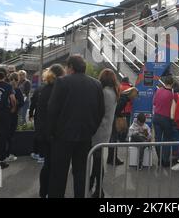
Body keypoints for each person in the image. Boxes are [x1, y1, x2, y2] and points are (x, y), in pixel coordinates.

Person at [47, 55, 105, 198]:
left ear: (71, 67)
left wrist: (53, 133)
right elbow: (100, 111)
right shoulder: (96, 84)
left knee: (58, 175)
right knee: (81, 174)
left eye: (67, 67)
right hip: (85, 137)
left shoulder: (62, 82)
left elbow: (52, 110)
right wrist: (91, 129)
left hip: (62, 137)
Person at [31, 64, 65, 198]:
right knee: (55, 166)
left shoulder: (42, 89)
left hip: (43, 133)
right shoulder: (59, 90)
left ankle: (43, 191)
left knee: (47, 164)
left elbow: (39, 113)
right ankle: (52, 192)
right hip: (55, 134)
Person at [90, 68, 119, 198]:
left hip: (98, 130)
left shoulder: (104, 92)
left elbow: (96, 111)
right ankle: (93, 183)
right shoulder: (113, 92)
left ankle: (99, 190)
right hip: (106, 130)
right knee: (98, 159)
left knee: (97, 161)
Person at [107, 86, 138, 165]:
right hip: (114, 120)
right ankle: (114, 159)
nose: (134, 98)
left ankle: (110, 158)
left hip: (112, 118)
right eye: (135, 96)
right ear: (132, 95)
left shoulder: (122, 96)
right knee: (114, 139)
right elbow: (117, 110)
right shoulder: (124, 100)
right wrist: (121, 116)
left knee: (112, 139)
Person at [152, 75, 177, 167]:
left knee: (157, 139)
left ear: (165, 82)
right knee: (167, 140)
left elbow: (154, 103)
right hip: (166, 119)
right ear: (172, 84)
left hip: (156, 117)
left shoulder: (158, 91)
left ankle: (160, 159)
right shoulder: (172, 95)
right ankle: (165, 160)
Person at [6, 72, 25, 162]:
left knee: (3, 134)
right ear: (18, 80)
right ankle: (9, 154)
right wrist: (16, 105)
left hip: (4, 115)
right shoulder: (17, 90)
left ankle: (1, 153)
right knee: (11, 135)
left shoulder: (5, 88)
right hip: (13, 115)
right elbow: (22, 102)